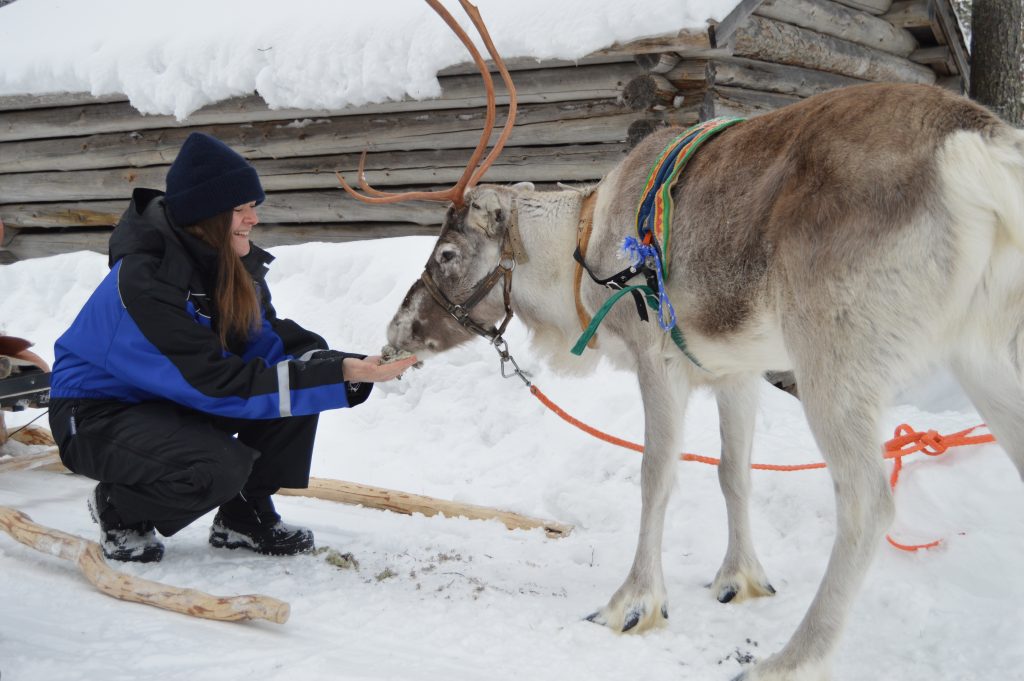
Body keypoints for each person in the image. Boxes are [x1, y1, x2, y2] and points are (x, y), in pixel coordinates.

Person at [48, 132, 416, 563]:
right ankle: (121, 510)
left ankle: (243, 517)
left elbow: (271, 349)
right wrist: (340, 374)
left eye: (253, 207)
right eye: (239, 210)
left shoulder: (231, 268)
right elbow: (215, 385)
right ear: (205, 217)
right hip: (97, 415)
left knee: (301, 374)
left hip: (169, 401)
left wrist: (347, 367)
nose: (253, 219)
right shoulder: (146, 282)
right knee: (218, 467)